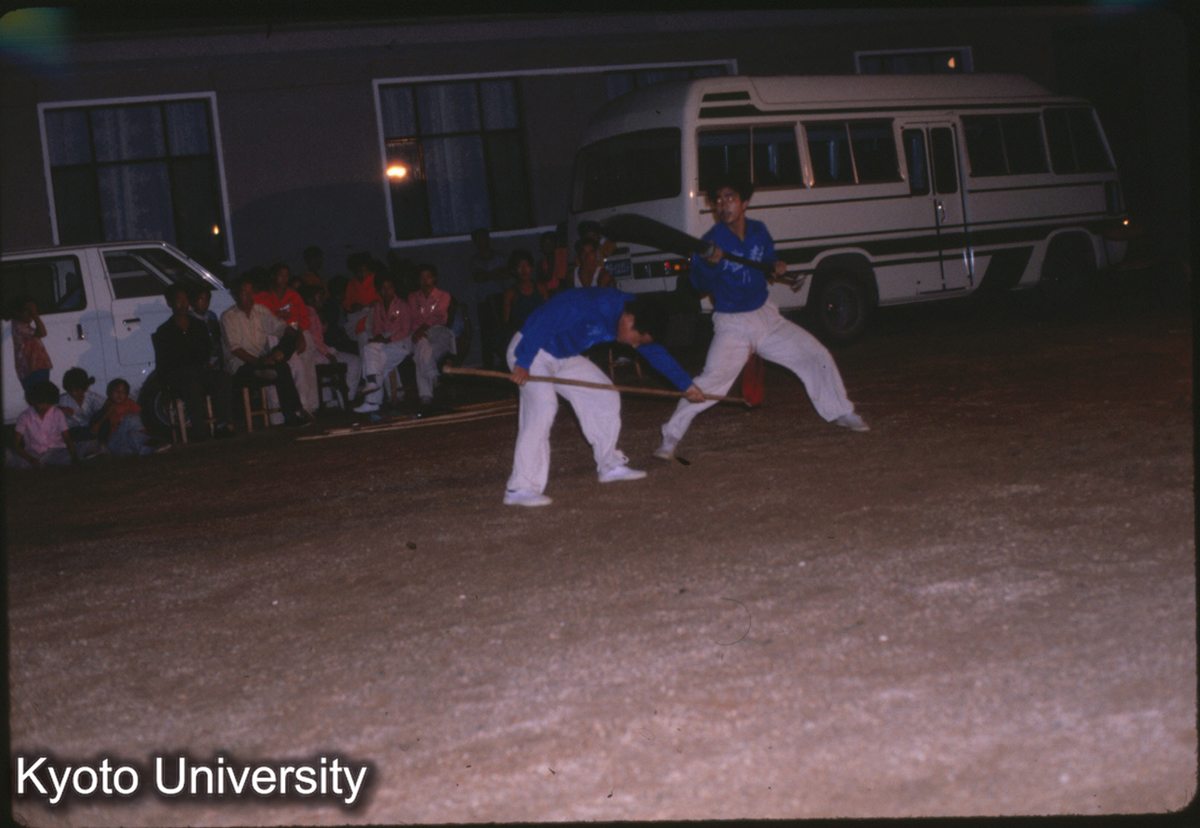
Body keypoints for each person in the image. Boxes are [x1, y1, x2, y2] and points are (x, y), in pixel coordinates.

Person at [655, 175, 867, 462]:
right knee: (712, 382)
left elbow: (767, 261)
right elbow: (698, 285)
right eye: (718, 200)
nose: (723, 205)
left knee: (815, 354)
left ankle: (842, 411)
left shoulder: (758, 231)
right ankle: (670, 437)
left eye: (730, 198)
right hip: (732, 324)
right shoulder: (710, 242)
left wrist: (776, 266)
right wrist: (709, 264)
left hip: (765, 317)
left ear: (744, 203)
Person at [503, 287, 705, 507]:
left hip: (562, 355)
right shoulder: (590, 302)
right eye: (636, 340)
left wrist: (687, 385)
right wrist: (523, 361)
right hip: (530, 348)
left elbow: (655, 352)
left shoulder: (633, 314)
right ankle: (520, 488)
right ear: (629, 320)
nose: (634, 346)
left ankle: (609, 465)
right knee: (543, 406)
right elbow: (546, 319)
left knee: (604, 394)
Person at [220, 274, 308, 427]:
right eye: (244, 292)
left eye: (251, 292)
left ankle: (292, 413)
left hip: (266, 360)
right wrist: (259, 362)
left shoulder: (261, 310)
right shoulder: (228, 317)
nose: (249, 296)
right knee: (281, 368)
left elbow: (280, 327)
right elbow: (235, 349)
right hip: (242, 365)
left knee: (286, 347)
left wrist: (292, 336)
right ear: (235, 296)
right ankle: (294, 412)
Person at [154, 285, 236, 438]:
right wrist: (165, 389)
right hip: (179, 377)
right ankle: (200, 431)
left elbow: (206, 352)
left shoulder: (198, 326)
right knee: (191, 384)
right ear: (170, 303)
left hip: (198, 372)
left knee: (223, 378)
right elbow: (162, 364)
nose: (183, 304)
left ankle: (223, 424)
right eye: (179, 300)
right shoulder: (164, 331)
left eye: (186, 300)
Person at [256, 262, 317, 413]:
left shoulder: (293, 295)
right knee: (285, 368)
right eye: (280, 276)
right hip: (274, 335)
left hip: (295, 331)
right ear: (273, 276)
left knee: (305, 367)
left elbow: (304, 319)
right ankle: (278, 411)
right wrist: (278, 315)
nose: (284, 279)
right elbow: (259, 320)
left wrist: (300, 335)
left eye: (286, 276)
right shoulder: (262, 297)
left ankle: (309, 406)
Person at [354, 272, 412, 414]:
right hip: (385, 341)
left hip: (400, 342)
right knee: (368, 349)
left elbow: (405, 330)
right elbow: (377, 327)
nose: (386, 291)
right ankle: (372, 386)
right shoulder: (378, 307)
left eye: (389, 287)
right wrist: (379, 336)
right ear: (379, 290)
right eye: (383, 288)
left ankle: (372, 400)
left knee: (377, 364)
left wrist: (387, 340)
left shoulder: (402, 305)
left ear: (394, 288)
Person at [298, 283, 361, 405]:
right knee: (355, 361)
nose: (323, 300)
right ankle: (346, 397)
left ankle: (331, 399)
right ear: (310, 300)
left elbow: (317, 332)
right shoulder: (311, 314)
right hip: (316, 353)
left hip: (315, 352)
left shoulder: (310, 312)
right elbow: (315, 339)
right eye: (320, 298)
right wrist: (327, 354)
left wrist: (323, 322)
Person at [406, 263, 456, 407]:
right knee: (422, 347)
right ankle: (433, 376)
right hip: (419, 334)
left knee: (422, 354)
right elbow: (414, 317)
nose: (425, 280)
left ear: (434, 278)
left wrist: (421, 329)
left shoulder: (444, 296)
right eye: (421, 277)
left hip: (438, 331)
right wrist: (420, 331)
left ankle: (426, 394)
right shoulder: (413, 297)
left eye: (428, 277)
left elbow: (437, 315)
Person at [6, 380, 78, 468]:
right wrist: (30, 459)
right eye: (41, 403)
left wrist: (74, 457)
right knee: (8, 455)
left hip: (56, 451)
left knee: (83, 449)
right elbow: (15, 443)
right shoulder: (25, 416)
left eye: (47, 404)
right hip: (34, 453)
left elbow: (67, 438)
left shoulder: (58, 413)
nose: (44, 407)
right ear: (33, 401)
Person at [468, 228, 509, 370]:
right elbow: (478, 277)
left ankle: (506, 362)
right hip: (484, 301)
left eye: (484, 238)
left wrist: (487, 274)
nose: (481, 241)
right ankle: (488, 366)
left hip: (500, 298)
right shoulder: (475, 261)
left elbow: (505, 274)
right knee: (486, 334)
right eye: (478, 239)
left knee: (503, 330)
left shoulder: (499, 257)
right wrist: (494, 273)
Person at [93, 378, 154, 456]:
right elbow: (101, 422)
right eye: (116, 391)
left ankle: (148, 448)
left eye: (123, 392)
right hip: (114, 442)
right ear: (109, 393)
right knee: (130, 418)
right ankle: (147, 440)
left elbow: (141, 415)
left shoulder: (129, 403)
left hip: (126, 442)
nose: (119, 394)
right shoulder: (109, 406)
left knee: (133, 434)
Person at [58, 367, 107, 456]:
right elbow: (46, 409)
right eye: (71, 391)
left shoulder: (91, 396)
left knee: (104, 415)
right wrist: (61, 409)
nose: (74, 394)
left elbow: (108, 405)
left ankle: (102, 447)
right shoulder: (63, 400)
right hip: (73, 431)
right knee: (83, 433)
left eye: (77, 390)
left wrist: (98, 424)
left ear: (85, 387)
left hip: (90, 427)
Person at [502, 249, 547, 346]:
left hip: (540, 333)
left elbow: (549, 313)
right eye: (519, 266)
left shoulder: (540, 288)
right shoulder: (510, 293)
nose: (523, 269)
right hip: (521, 337)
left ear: (531, 268)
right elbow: (506, 323)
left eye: (526, 265)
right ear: (513, 270)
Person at [9, 295, 52, 391]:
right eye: (28, 311)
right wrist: (35, 314)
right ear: (18, 312)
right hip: (32, 369)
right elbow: (42, 332)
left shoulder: (23, 325)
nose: (31, 314)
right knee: (40, 395)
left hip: (36, 367)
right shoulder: (19, 326)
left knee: (42, 394)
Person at [536, 230, 569, 295]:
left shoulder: (563, 260)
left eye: (550, 244)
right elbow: (545, 279)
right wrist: (550, 264)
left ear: (555, 244)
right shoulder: (541, 264)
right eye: (545, 244)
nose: (547, 247)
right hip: (548, 294)